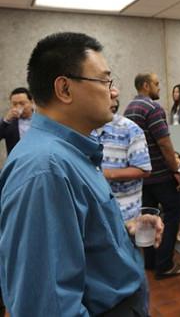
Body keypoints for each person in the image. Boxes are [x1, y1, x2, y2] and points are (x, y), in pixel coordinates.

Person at [0, 32, 163, 316]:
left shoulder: (71, 152)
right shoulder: (45, 170)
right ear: (64, 89)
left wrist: (124, 230)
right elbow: (44, 307)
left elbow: (76, 238)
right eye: (104, 81)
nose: (113, 92)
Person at [124, 73, 180, 279]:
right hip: (160, 175)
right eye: (156, 84)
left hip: (141, 177)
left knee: (146, 218)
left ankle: (150, 261)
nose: (159, 88)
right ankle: (165, 264)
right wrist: (175, 171)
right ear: (145, 85)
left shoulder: (129, 110)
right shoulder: (153, 108)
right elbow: (164, 144)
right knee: (173, 214)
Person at [94, 98, 152, 223]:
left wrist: (103, 174)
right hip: (93, 219)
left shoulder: (130, 129)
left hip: (125, 217)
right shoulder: (80, 130)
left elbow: (144, 169)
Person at [0, 87, 34, 155]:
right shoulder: (8, 122)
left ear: (31, 102)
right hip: (17, 162)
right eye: (14, 104)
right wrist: (6, 120)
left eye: (22, 103)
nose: (18, 107)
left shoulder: (41, 119)